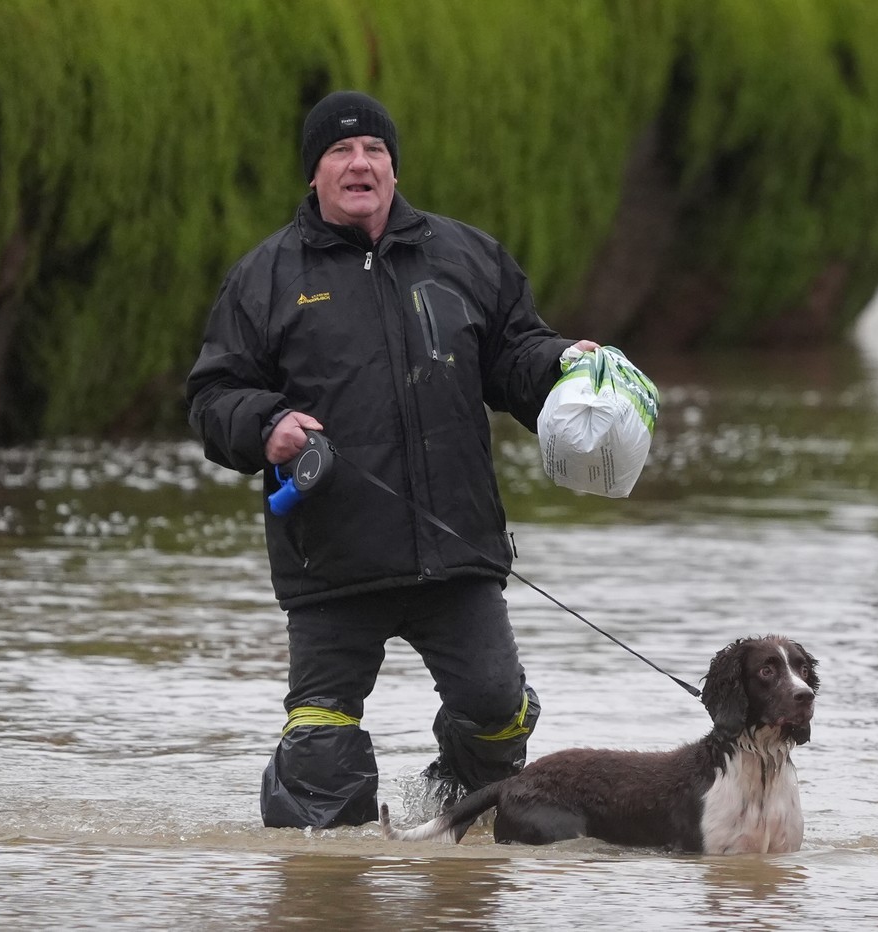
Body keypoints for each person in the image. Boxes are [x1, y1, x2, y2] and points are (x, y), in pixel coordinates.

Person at [185, 90, 599, 829]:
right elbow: (215, 397)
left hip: (457, 552)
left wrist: (565, 362)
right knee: (321, 747)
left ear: (394, 170)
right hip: (331, 562)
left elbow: (515, 359)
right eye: (339, 152)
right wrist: (268, 423)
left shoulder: (468, 256)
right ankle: (325, 884)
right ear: (313, 174)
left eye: (374, 150)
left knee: (500, 716)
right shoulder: (265, 276)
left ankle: (442, 819)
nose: (359, 163)